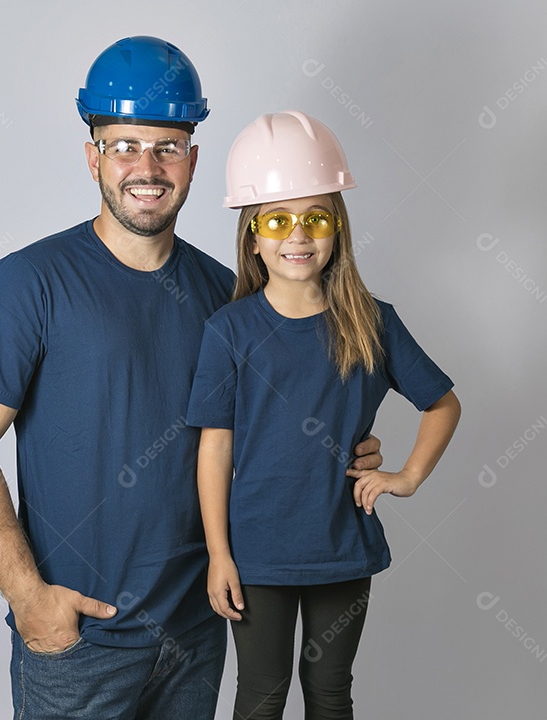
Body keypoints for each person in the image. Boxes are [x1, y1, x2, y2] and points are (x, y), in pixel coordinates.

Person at [0, 39, 383, 719]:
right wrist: (29, 596)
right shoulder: (30, 283)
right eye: (123, 145)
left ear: (193, 160)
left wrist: (347, 450)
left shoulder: (228, 296)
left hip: (196, 634)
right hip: (80, 640)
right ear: (92, 156)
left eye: (167, 146)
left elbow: (267, 434)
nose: (146, 167)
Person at [186, 111, 462, 720]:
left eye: (316, 218)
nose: (298, 236)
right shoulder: (228, 330)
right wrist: (219, 553)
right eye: (278, 220)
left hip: (342, 544)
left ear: (338, 228)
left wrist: (407, 475)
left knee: (330, 692)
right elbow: (216, 447)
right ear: (252, 236)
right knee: (261, 696)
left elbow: (441, 404)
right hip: (256, 551)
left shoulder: (373, 321)